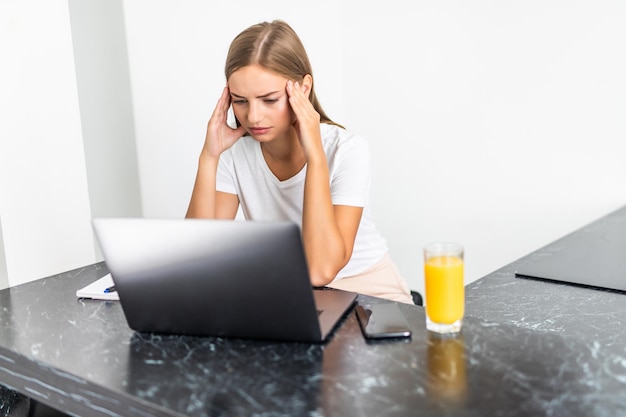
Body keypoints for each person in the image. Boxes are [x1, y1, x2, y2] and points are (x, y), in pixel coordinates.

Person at [186, 20, 413, 304]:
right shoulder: (235, 155)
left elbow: (320, 270)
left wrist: (315, 155)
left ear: (303, 88)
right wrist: (209, 157)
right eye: (240, 101)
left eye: (269, 100)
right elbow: (196, 260)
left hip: (370, 295)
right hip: (296, 297)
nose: (253, 116)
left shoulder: (347, 150)